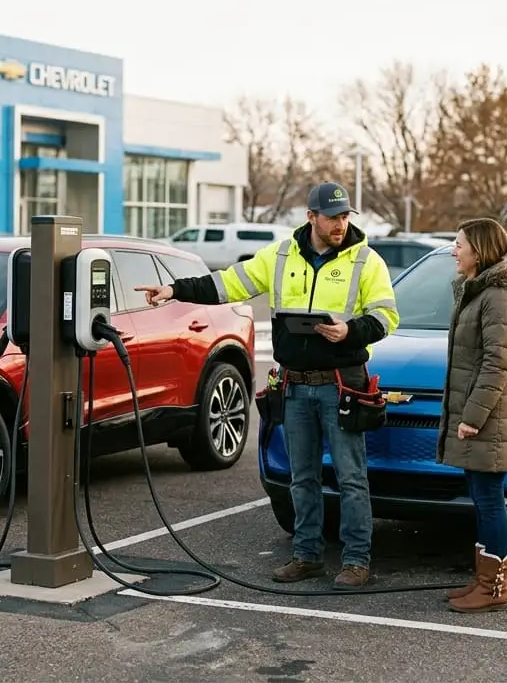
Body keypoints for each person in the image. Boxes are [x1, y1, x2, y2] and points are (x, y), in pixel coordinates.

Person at [135, 182, 399, 589]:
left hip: (341, 386)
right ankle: (308, 555)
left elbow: (386, 317)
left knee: (350, 477)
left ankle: (356, 560)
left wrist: (349, 331)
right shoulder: (279, 256)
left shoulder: (367, 261)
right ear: (311, 217)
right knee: (303, 476)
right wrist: (175, 290)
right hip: (294, 385)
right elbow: (228, 283)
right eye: (333, 217)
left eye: (346, 216)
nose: (340, 224)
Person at [438, 216, 507, 614]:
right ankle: (484, 580)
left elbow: (498, 363)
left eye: (459, 244)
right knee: (482, 497)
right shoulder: (477, 292)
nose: (454, 251)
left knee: (490, 499)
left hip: (491, 418)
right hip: (482, 413)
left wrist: (473, 416)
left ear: (479, 250)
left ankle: (494, 590)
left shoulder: (498, 297)